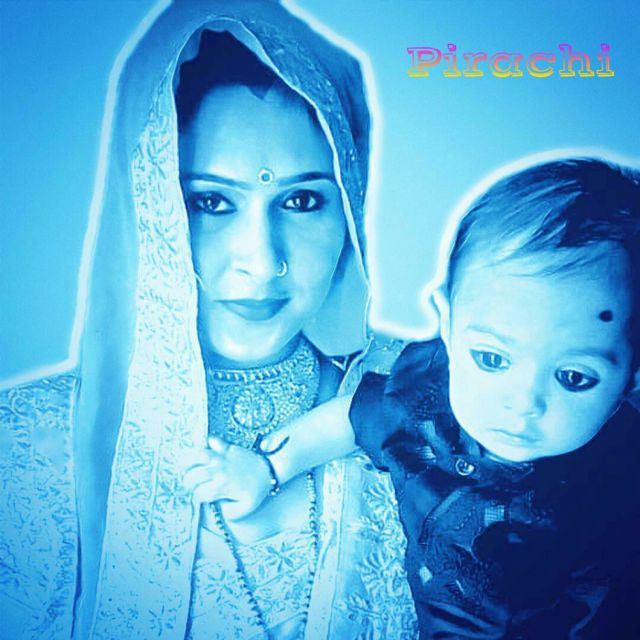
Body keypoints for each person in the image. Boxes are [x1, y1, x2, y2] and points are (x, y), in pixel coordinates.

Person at [0, 2, 417, 639]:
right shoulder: (25, 449)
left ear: (350, 210)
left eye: (303, 200)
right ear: (148, 204)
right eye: (211, 202)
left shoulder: (438, 418)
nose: (263, 261)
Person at [238, 157, 640, 638]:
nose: (523, 402)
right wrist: (268, 467)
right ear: (447, 323)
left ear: (630, 378)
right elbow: (351, 416)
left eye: (574, 377)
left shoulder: (622, 469)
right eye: (492, 358)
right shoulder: (423, 404)